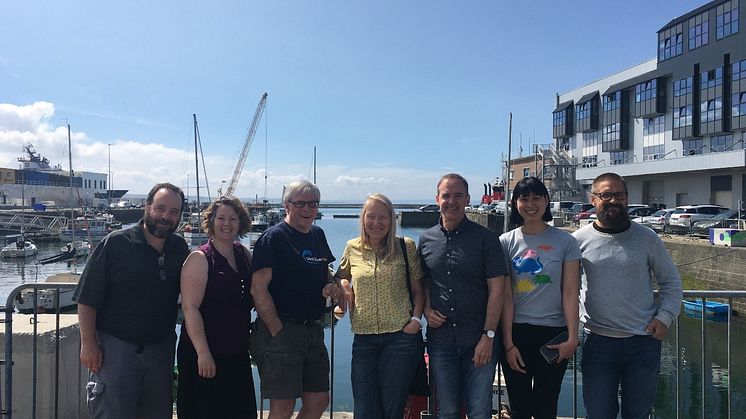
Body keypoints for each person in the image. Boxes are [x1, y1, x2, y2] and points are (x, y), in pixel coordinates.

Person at [73, 183, 190, 419]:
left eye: (174, 212)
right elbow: (87, 296)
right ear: (147, 207)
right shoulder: (116, 243)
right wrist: (88, 343)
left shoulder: (179, 247)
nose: (166, 216)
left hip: (161, 350)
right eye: (161, 208)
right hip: (116, 350)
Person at [573, 172, 682, 419]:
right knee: (599, 414)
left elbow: (671, 282)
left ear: (627, 198)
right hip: (597, 342)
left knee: (638, 413)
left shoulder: (647, 238)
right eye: (605, 195)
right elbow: (564, 289)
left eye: (618, 195)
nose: (612, 201)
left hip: (643, 343)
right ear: (593, 200)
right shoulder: (578, 241)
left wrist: (665, 317)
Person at [249, 180, 342, 419]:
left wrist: (331, 285)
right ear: (287, 205)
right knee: (283, 407)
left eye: (312, 204)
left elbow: (325, 272)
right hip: (282, 329)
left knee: (319, 400)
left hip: (312, 329)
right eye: (300, 203)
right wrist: (276, 329)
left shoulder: (318, 234)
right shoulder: (274, 238)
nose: (307, 209)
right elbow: (258, 288)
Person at [418, 173, 508, 419]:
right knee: (447, 411)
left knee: (479, 411)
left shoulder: (486, 239)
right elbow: (424, 282)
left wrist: (488, 336)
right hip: (441, 341)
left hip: (479, 340)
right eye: (446, 196)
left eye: (458, 195)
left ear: (468, 199)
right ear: (437, 199)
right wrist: (426, 309)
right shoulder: (426, 240)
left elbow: (497, 291)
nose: (452, 201)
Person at [334, 193, 425, 419]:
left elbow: (418, 290)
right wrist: (345, 287)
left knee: (392, 408)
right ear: (363, 219)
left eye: (383, 217)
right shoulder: (352, 247)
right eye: (371, 217)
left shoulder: (405, 247)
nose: (376, 223)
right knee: (365, 408)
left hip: (400, 337)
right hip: (364, 338)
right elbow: (341, 276)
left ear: (392, 220)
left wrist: (415, 321)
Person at [499, 177, 581, 419]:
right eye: (524, 199)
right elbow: (505, 296)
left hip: (553, 334)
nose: (530, 204)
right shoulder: (505, 242)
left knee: (547, 407)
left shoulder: (566, 241)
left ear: (546, 201)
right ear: (515, 204)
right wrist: (507, 343)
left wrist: (573, 338)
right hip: (517, 332)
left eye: (536, 198)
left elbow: (570, 292)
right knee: (520, 408)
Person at [177, 196, 256, 419]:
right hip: (204, 353)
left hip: (236, 351)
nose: (227, 223)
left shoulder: (244, 255)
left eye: (233, 218)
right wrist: (203, 353)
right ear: (211, 222)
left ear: (241, 223)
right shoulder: (200, 258)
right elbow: (190, 308)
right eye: (221, 218)